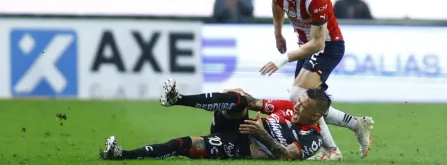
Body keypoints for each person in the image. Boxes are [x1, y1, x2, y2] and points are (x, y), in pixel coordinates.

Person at [260, 0, 374, 160]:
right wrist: (278, 32)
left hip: (327, 47)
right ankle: (356, 124)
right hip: (306, 46)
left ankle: (332, 150)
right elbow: (277, 3)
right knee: (300, 102)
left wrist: (283, 59)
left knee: (298, 98)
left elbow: (318, 43)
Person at [100, 79, 331, 161]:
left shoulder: (312, 138)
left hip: (242, 145)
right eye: (299, 101)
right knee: (239, 101)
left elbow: (287, 155)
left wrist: (261, 133)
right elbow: (254, 102)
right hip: (240, 125)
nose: (296, 106)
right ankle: (176, 99)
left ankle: (121, 154)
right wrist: (239, 95)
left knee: (183, 144)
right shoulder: (289, 107)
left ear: (316, 116)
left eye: (303, 106)